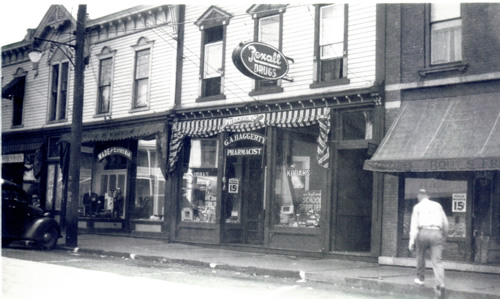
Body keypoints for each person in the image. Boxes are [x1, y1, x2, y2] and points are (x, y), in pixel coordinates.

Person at [409, 189, 449, 299]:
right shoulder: (437, 205)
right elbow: (445, 222)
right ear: (428, 196)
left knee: (420, 256)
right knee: (437, 261)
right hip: (437, 233)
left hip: (423, 232)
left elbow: (414, 226)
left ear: (419, 196)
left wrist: (411, 241)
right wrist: (444, 236)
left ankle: (420, 279)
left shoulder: (417, 207)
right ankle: (440, 283)